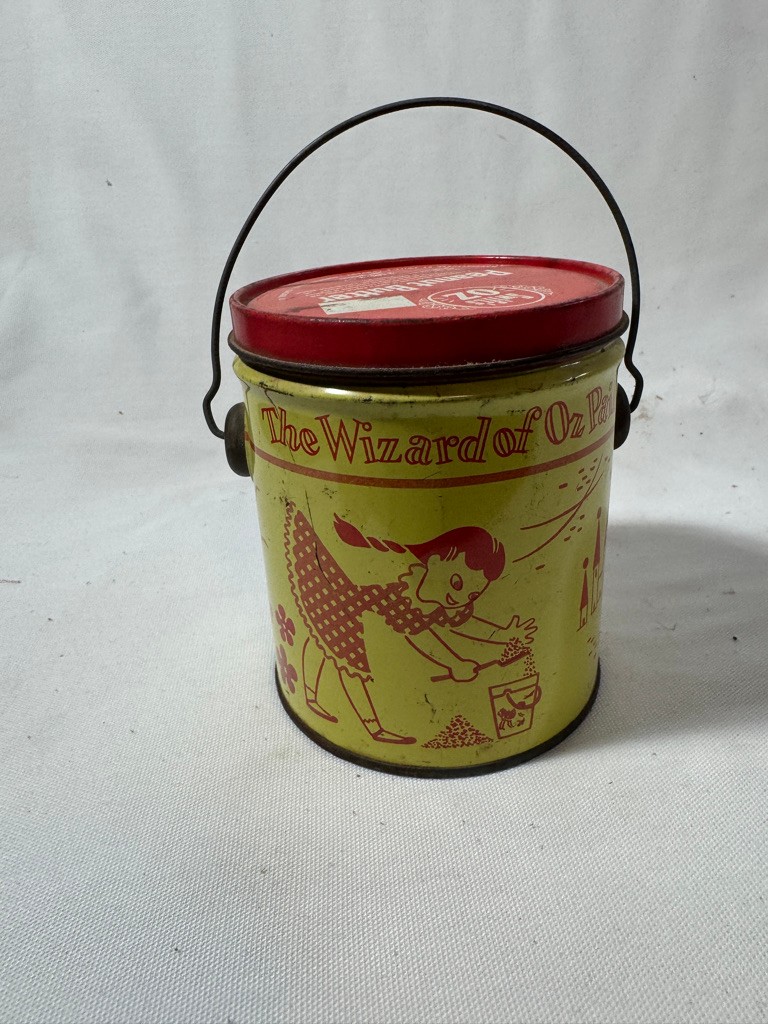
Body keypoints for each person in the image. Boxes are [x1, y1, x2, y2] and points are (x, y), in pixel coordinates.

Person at [284, 503, 536, 744]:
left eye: (472, 594)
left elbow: (465, 622)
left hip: (355, 609)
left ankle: (314, 701)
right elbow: (423, 638)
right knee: (346, 661)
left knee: (321, 641)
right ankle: (369, 727)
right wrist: (454, 663)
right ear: (434, 561)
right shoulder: (407, 599)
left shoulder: (439, 600)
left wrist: (503, 634)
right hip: (344, 603)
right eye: (457, 583)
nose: (459, 598)